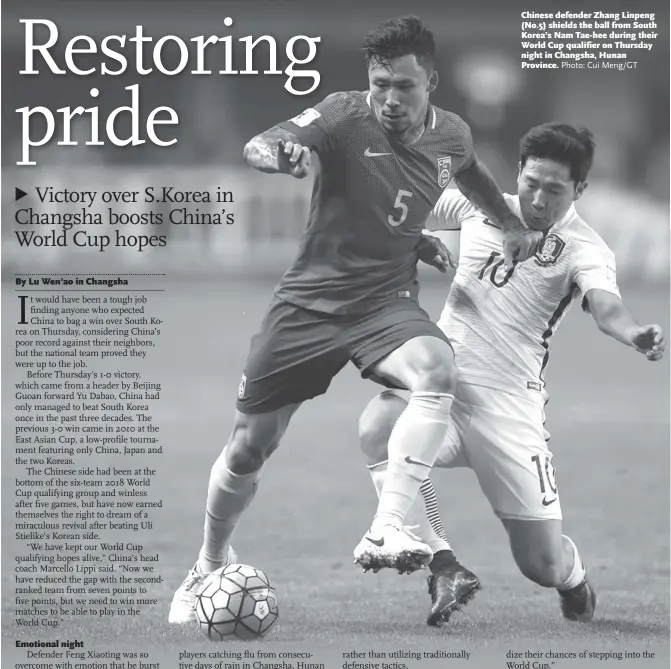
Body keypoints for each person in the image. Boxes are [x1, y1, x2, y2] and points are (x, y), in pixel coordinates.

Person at [169, 15, 543, 624]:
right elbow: (261, 144)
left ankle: (390, 525)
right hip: (309, 304)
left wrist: (507, 223)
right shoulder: (343, 114)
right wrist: (278, 156)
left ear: (432, 84)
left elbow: (472, 177)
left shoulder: (452, 134)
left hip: (383, 303)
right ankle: (207, 566)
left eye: (404, 86)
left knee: (436, 371)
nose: (390, 99)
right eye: (380, 84)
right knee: (248, 449)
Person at [357, 122, 666, 627]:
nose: (538, 199)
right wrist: (415, 242)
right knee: (376, 426)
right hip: (442, 388)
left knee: (540, 565)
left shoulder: (584, 249)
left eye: (555, 189)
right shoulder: (479, 205)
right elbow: (401, 212)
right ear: (518, 172)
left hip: (509, 412)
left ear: (580, 190)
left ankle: (573, 578)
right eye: (531, 182)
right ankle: (444, 567)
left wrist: (634, 334)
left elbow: (607, 308)